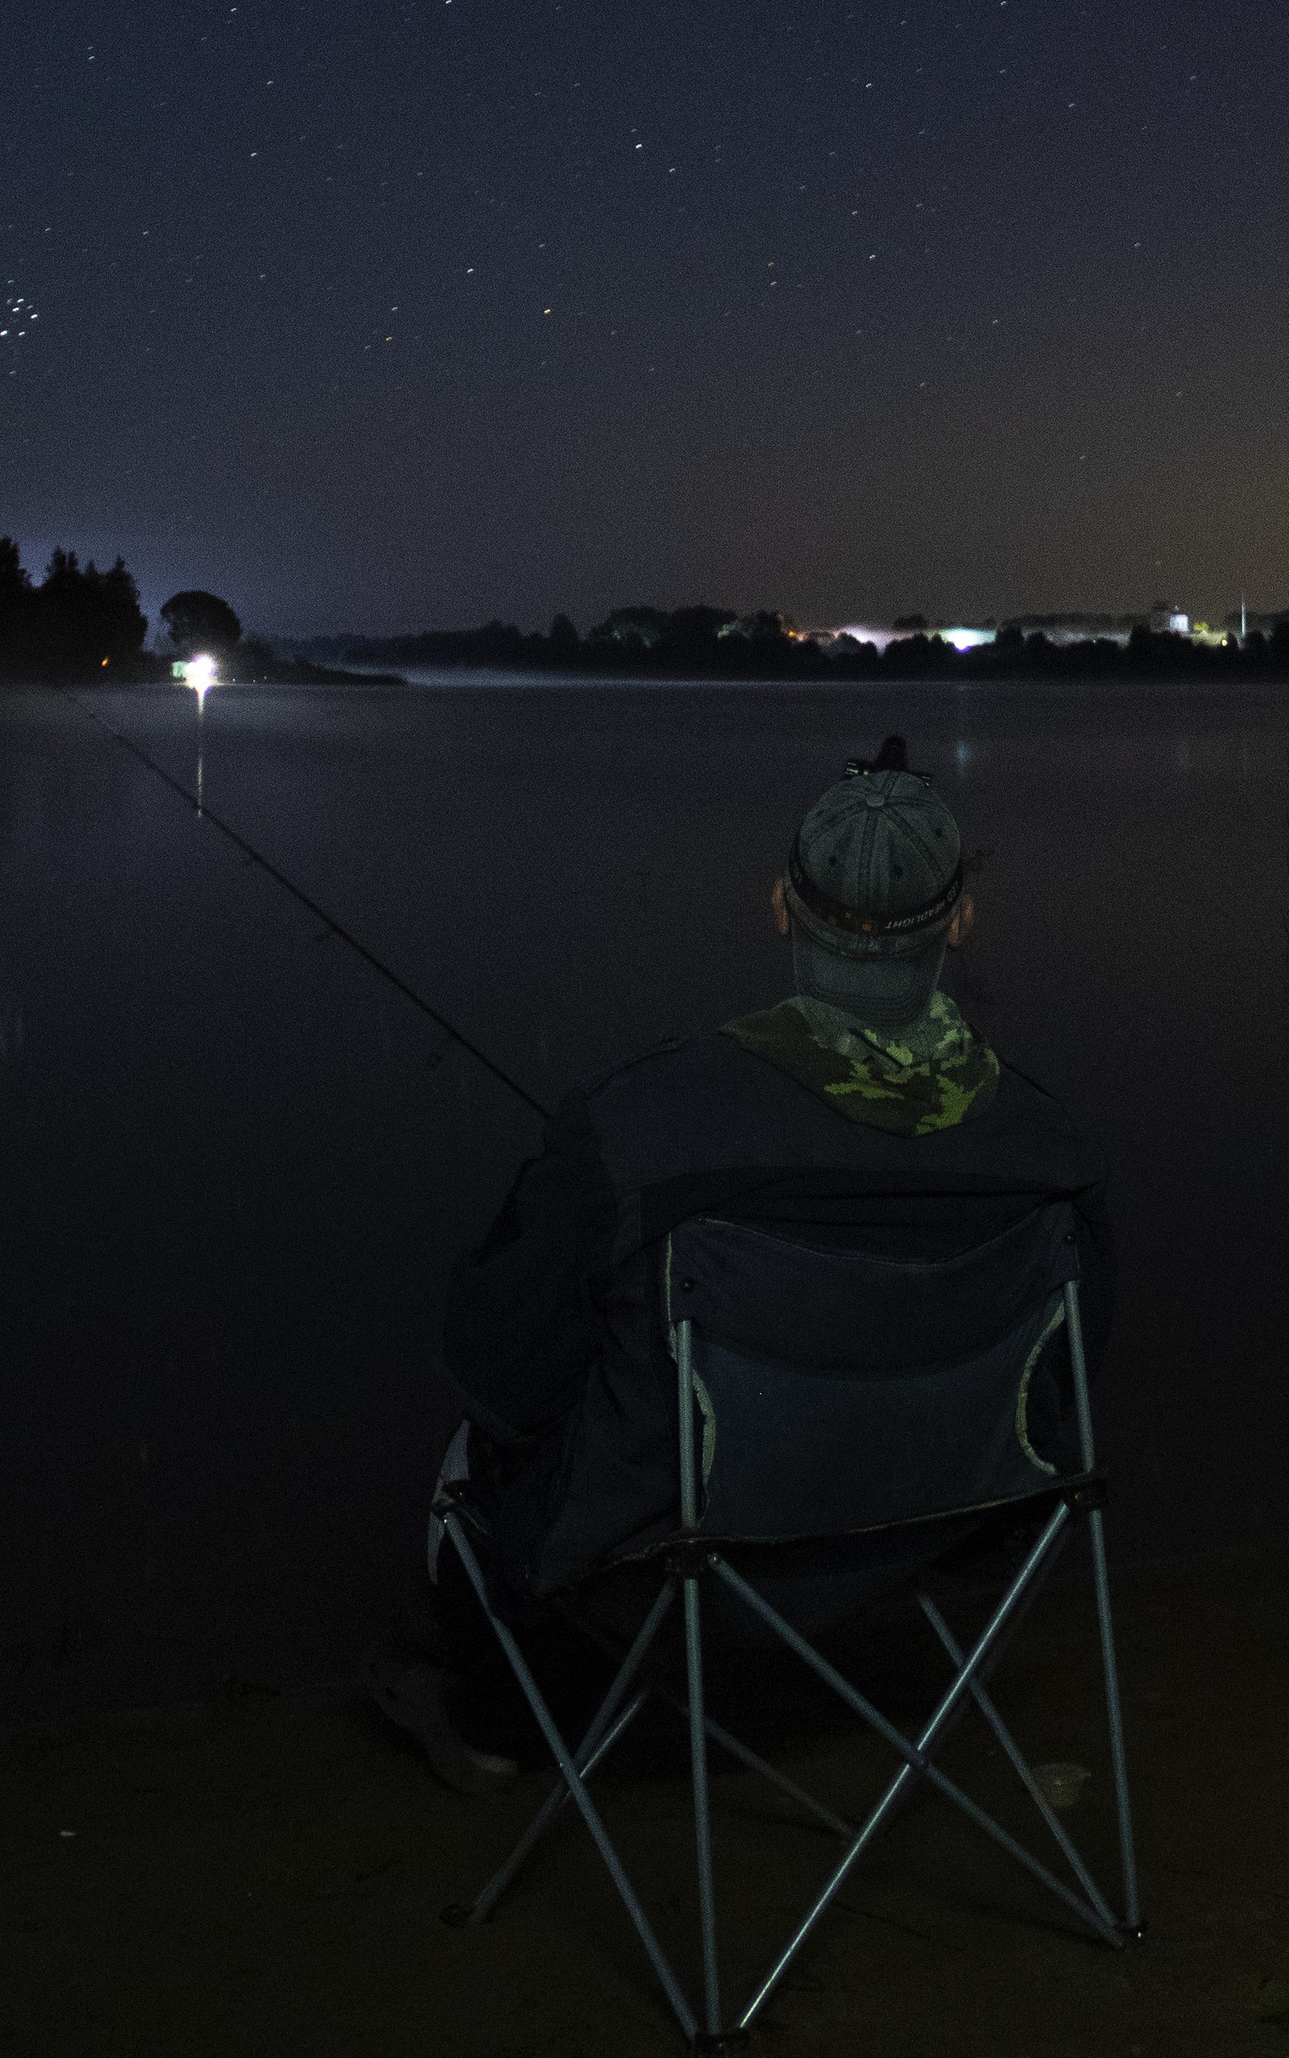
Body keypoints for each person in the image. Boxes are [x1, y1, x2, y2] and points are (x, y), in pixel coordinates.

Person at [360, 737, 1113, 1787]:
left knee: (471, 1457)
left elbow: (493, 1367)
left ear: (777, 906)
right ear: (959, 921)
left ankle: (494, 1725)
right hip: (938, 1552)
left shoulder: (638, 1123)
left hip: (675, 1570)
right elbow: (1064, 1384)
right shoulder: (1049, 1150)